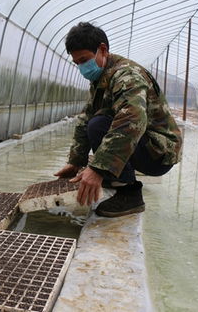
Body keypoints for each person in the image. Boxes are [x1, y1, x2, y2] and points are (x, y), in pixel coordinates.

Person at [55, 22, 182, 217]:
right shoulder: (102, 78)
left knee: (99, 125)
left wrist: (97, 168)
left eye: (84, 60)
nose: (82, 67)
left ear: (103, 49)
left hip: (159, 153)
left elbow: (131, 120)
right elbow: (85, 118)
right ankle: (114, 177)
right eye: (77, 63)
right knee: (94, 122)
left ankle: (129, 193)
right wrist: (76, 161)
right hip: (144, 146)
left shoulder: (126, 75)